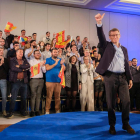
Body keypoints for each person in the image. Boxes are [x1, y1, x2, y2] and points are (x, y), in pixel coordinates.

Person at [95, 13, 135, 134]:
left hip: (123, 78)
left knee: (126, 101)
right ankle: (112, 125)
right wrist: (99, 23)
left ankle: (125, 124)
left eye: (116, 35)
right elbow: (100, 36)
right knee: (111, 103)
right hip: (110, 77)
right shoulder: (106, 45)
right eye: (112, 35)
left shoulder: (124, 49)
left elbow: (126, 65)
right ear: (109, 37)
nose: (114, 37)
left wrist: (130, 79)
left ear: (119, 36)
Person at [6, 48, 30, 118]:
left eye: (22, 52)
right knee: (13, 98)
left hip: (24, 81)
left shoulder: (25, 60)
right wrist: (23, 68)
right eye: (20, 52)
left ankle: (23, 112)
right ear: (16, 53)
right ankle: (11, 112)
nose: (21, 54)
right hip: (15, 81)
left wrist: (19, 66)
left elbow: (28, 66)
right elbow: (13, 68)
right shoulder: (12, 60)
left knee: (24, 97)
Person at [45, 48, 65, 114]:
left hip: (58, 81)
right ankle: (47, 110)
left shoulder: (60, 60)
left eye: (56, 52)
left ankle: (57, 110)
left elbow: (64, 69)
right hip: (49, 81)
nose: (55, 53)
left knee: (57, 97)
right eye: (54, 52)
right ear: (51, 53)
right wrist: (55, 64)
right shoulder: (48, 59)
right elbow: (47, 68)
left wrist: (62, 64)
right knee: (49, 97)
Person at [29, 50, 46, 117]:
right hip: (34, 80)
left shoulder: (41, 61)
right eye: (36, 53)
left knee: (38, 96)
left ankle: (37, 110)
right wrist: (39, 65)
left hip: (41, 79)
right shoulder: (31, 61)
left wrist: (42, 65)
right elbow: (31, 70)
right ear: (33, 54)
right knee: (33, 95)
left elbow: (44, 71)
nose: (38, 54)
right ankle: (32, 111)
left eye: (39, 53)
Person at [0, 47, 9, 117]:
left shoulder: (6, 60)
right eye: (0, 51)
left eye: (2, 51)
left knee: (4, 96)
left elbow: (7, 70)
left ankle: (4, 110)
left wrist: (3, 63)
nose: (1, 52)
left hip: (3, 80)